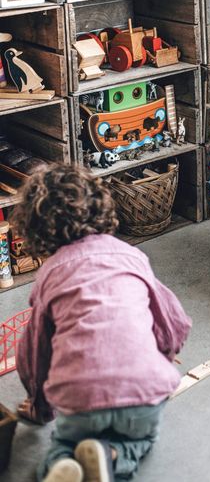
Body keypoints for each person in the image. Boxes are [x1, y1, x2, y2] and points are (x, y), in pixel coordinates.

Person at [12, 164, 191, 482]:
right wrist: (165, 350)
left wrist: (39, 405)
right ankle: (113, 456)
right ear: (101, 207)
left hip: (80, 399)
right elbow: (172, 318)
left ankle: (63, 464)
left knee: (64, 441)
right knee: (140, 439)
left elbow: (33, 351)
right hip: (142, 391)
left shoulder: (49, 275)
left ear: (34, 229)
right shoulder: (130, 256)